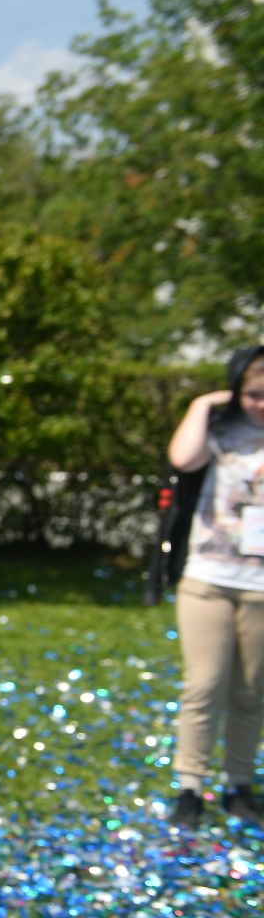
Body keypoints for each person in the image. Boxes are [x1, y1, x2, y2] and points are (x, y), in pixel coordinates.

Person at [162, 344, 264, 829]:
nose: (262, 403)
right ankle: (190, 786)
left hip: (261, 588)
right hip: (209, 580)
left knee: (249, 692)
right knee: (204, 685)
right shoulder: (219, 433)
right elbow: (182, 458)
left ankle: (239, 784)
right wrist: (203, 403)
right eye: (254, 394)